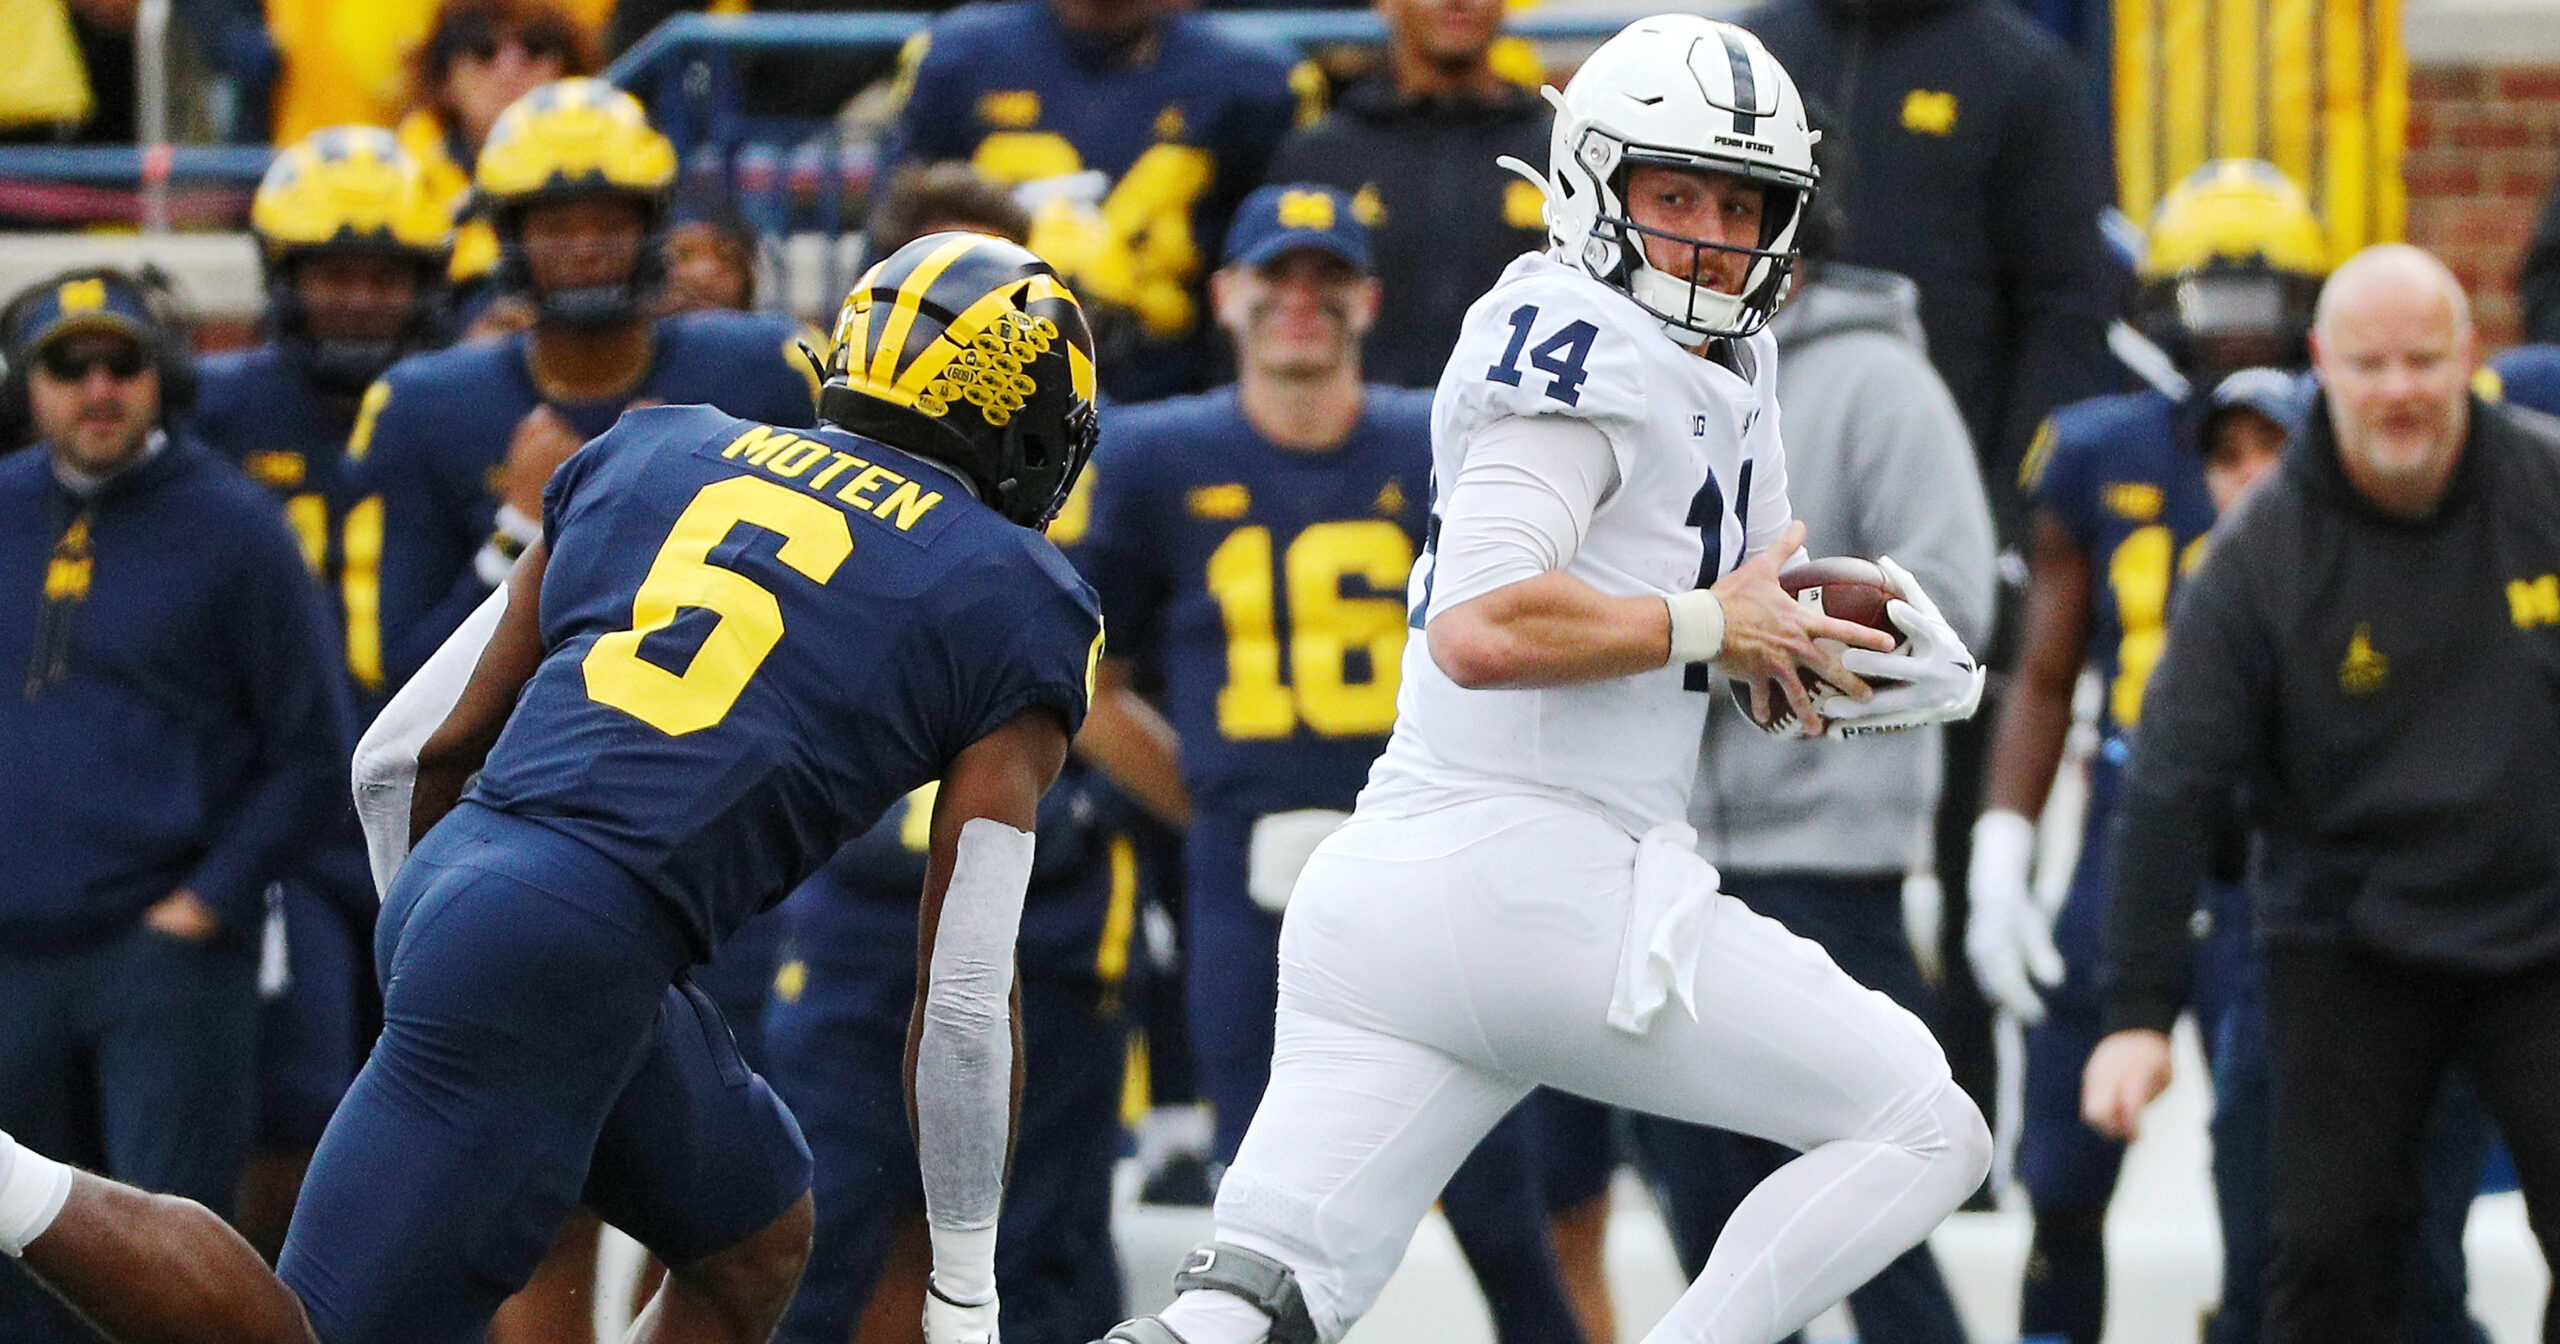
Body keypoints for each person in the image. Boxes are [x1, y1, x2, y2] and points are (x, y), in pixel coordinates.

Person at [0, 231, 1108, 1344]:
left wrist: (445, 934)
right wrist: (964, 1293)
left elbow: (402, 755)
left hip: (491, 888)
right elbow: (964, 1001)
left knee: (753, 1240)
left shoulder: (658, 450)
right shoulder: (1014, 598)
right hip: (574, 934)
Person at [1086, 19, 1990, 1344]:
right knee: (1924, 1123)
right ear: (1588, 183)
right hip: (1542, 883)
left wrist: (1822, 658)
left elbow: (1723, 625)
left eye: (1740, 204)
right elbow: (1484, 626)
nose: (1707, 235)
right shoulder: (1576, 334)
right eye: (1671, 193)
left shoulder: (1734, 363)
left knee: (1261, 1302)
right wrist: (1711, 624)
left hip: (1406, 901)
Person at [1073, 182, 1585, 1344]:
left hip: (1433, 864)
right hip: (1246, 879)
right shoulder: (1158, 456)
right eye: (1276, 278)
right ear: (1227, 295)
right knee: (1255, 1226)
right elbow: (1087, 684)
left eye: (1323, 281)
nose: (1299, 304)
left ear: (1366, 300)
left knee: (1502, 1207)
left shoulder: (1439, 440)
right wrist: (1207, 802)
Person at [2082, 244, 2560, 1344]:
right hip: (2348, 941)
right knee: (2324, 1249)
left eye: (2421, 361)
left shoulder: (2544, 491)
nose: (2397, 390)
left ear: (2468, 357)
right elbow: (2171, 780)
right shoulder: (2261, 550)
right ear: (2321, 367)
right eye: (2369, 364)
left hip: (2538, 928)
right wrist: (2136, 1013)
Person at [1964, 158, 2324, 1344]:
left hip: (2287, 839)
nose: (2236, 335)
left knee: (2267, 1185)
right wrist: (2002, 841)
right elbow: (2047, 667)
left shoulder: (2342, 453)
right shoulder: (2099, 448)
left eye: (2259, 301)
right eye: (2213, 303)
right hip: (2129, 824)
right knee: (2061, 1179)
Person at [1665, 145, 1999, 1344]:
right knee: (1713, 1223)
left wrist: (1733, 642)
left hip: (1827, 853)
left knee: (1871, 1214)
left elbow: (1948, 606)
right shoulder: (1661, 375)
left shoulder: (1879, 383)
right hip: (1669, 854)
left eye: (1746, 216)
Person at [0, 269, 352, 1340]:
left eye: (124, 365)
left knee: (169, 1250)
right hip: (11, 952)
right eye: (70, 366)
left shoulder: (237, 525)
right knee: (16, 1259)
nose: (99, 388)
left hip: (163, 951)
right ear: (31, 382)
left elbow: (312, 745)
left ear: (166, 378)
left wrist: (209, 900)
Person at [188, 124, 457, 1261]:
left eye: (384, 276)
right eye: (335, 275)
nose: (357, 301)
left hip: (440, 809)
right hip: (288, 818)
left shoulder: (462, 403)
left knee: (448, 1123)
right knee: (291, 1109)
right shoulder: (212, 407)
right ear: (283, 277)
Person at [360, 77, 819, 693]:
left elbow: (836, 607)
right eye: (555, 228)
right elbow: (406, 673)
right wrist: (520, 531)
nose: (584, 250)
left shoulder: (767, 369)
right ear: (512, 237)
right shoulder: (425, 406)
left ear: (651, 227)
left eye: (608, 224)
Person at [766, 767, 1138, 1344]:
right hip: (849, 921)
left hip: (1042, 922)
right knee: (796, 1237)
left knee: (1028, 1255)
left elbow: (1124, 705)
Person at [877, 0, 1319, 400]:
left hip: (1167, 388)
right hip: (976, 382)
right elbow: (894, 244)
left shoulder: (1254, 82)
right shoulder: (956, 59)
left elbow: (1271, 261)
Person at [1261, 0, 1550, 388]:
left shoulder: (1564, 151)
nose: (1458, 2)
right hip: (1358, 436)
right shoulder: (1319, 156)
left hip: (1525, 428)